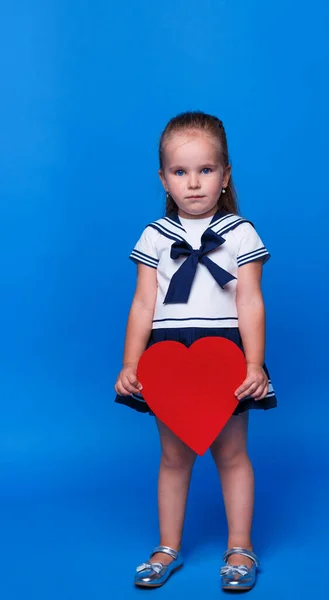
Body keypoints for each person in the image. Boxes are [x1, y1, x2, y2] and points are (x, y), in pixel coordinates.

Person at [114, 111, 277, 591]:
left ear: (225, 175)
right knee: (173, 456)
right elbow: (143, 302)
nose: (194, 183)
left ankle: (240, 546)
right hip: (167, 356)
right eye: (180, 172)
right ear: (163, 179)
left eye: (206, 170)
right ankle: (168, 546)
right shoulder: (154, 236)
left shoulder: (241, 232)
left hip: (226, 353)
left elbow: (250, 299)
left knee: (231, 453)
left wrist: (252, 362)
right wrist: (130, 362)